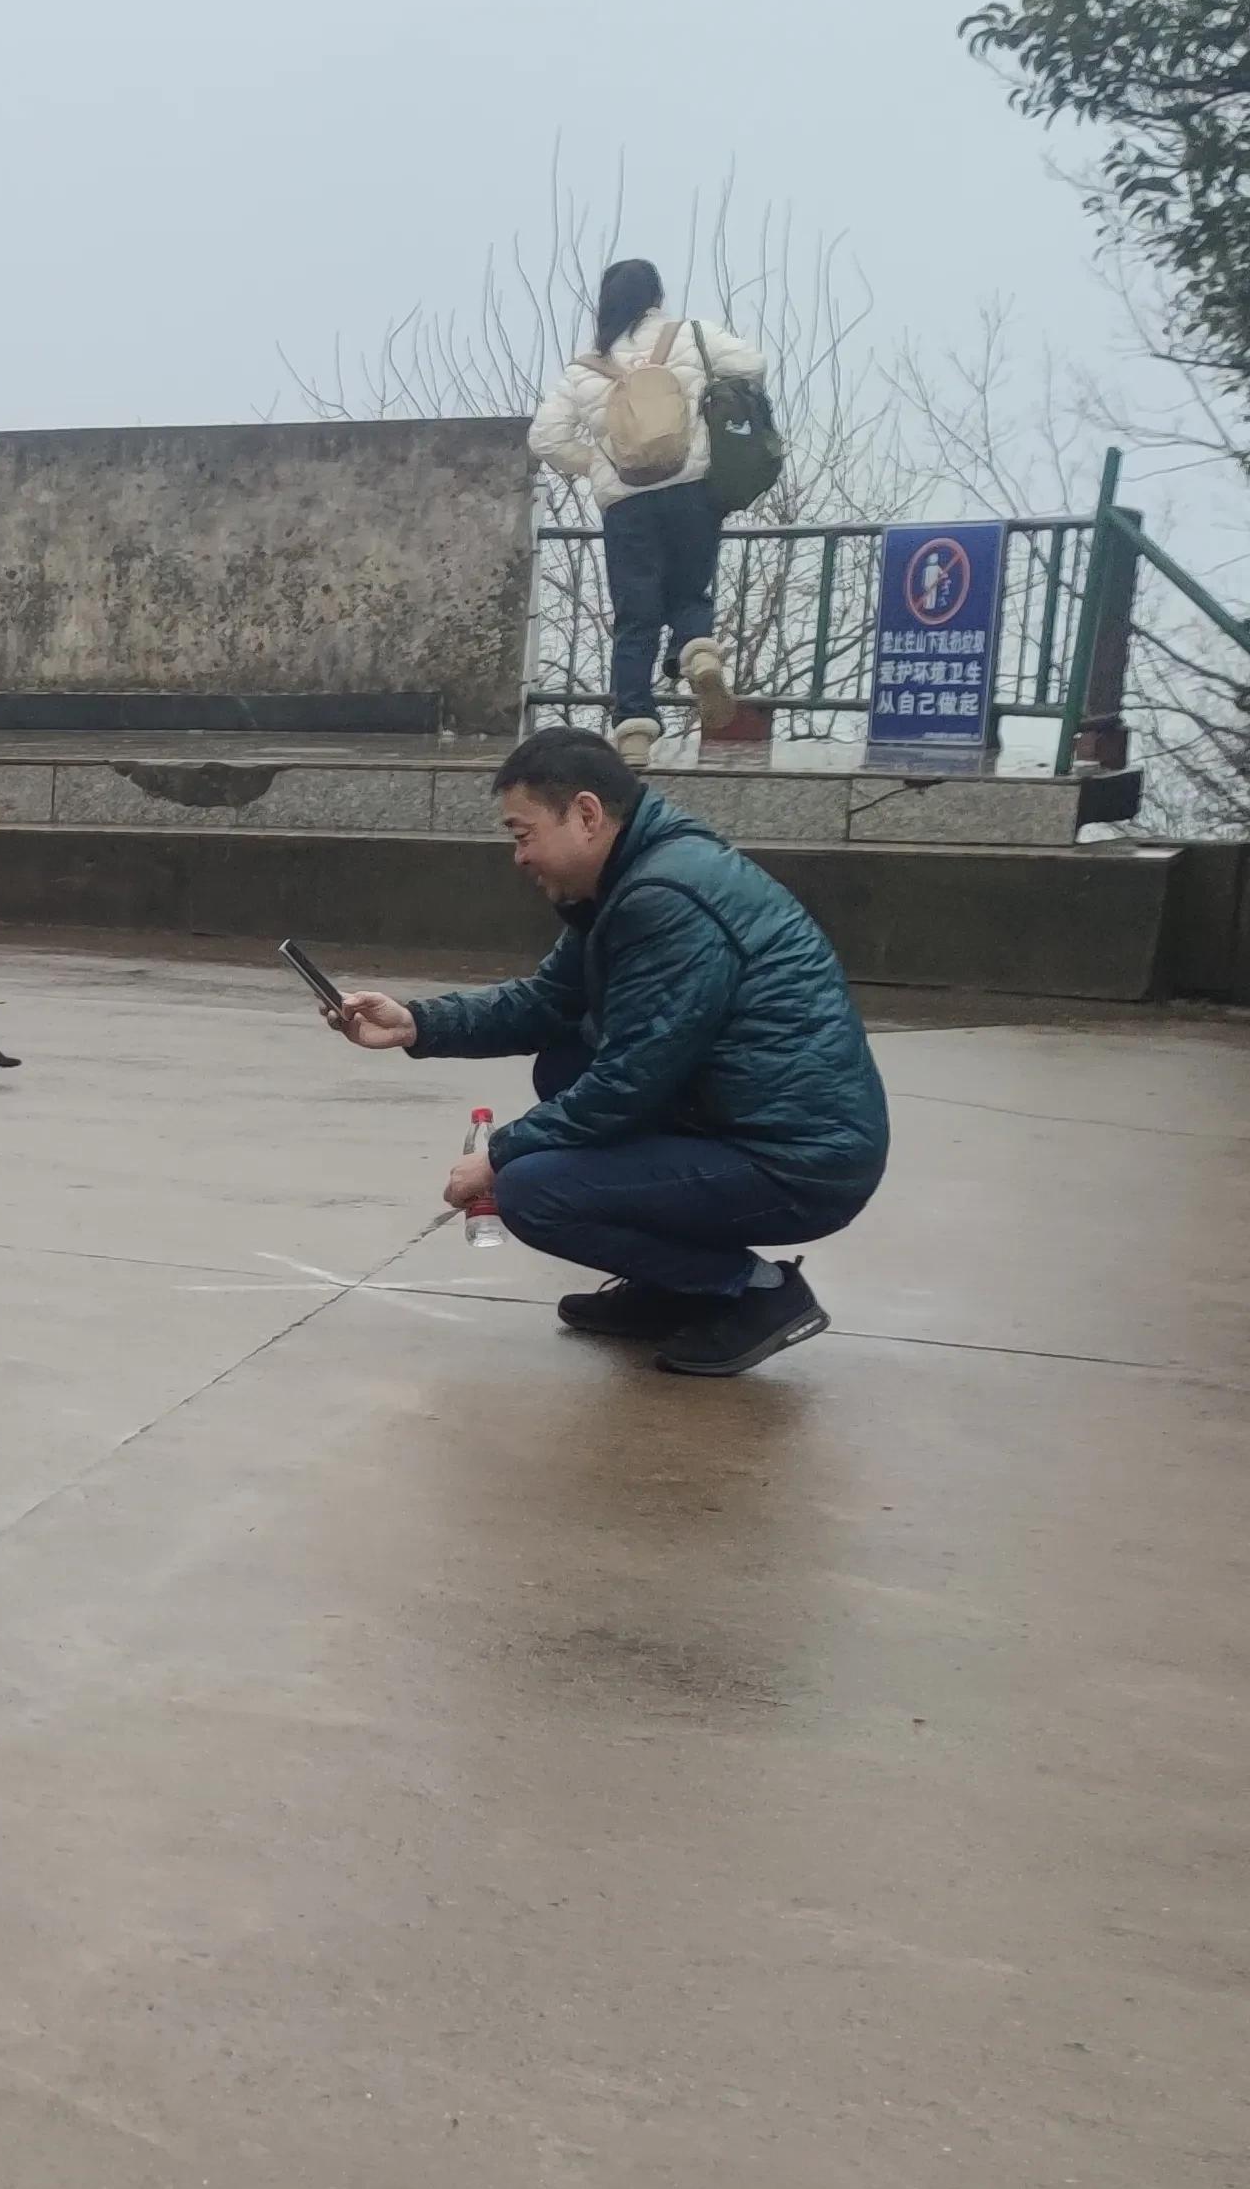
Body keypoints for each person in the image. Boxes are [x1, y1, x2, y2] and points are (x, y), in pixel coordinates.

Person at [322, 726, 882, 1378]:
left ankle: (757, 1292)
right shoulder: (630, 879)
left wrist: (500, 1156)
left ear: (586, 815)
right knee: (564, 1064)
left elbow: (631, 1080)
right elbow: (547, 1004)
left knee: (533, 1191)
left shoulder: (664, 898)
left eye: (523, 833)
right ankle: (675, 1289)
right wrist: (416, 1024)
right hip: (750, 1121)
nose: (519, 857)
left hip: (801, 1162)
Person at [528, 256, 765, 727]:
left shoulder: (584, 368)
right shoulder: (691, 334)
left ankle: (634, 724)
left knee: (635, 615)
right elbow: (753, 364)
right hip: (691, 488)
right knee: (690, 592)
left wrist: (599, 463)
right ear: (656, 297)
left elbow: (545, 438)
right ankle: (698, 652)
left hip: (627, 503)